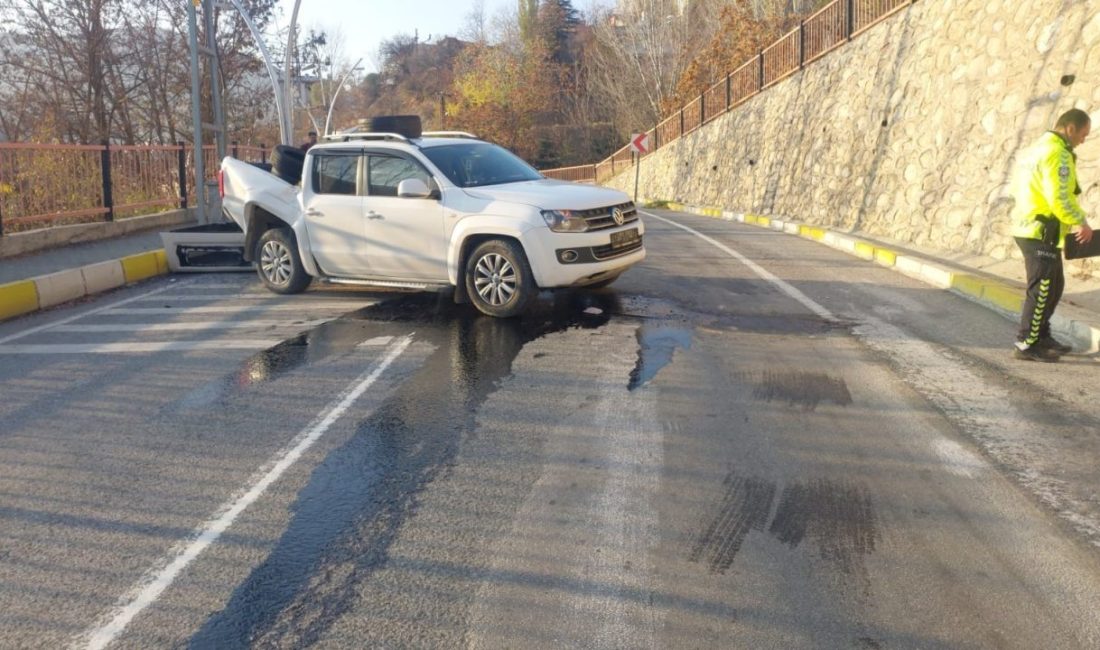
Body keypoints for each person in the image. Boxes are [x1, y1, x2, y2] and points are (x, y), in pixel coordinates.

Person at [1010, 108, 1094, 362]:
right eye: (1083, 134)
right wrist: (1080, 221)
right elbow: (1058, 198)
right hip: (1040, 230)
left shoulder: (1035, 151)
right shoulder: (1057, 154)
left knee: (1054, 286)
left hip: (1030, 227)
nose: (1083, 140)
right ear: (1070, 129)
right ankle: (1027, 343)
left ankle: (1041, 335)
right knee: (1043, 288)